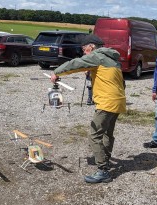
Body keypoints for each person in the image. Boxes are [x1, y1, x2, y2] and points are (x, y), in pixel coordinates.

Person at [50, 34, 126, 183]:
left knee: (94, 135)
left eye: (85, 50)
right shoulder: (111, 58)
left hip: (107, 102)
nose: (84, 53)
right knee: (107, 134)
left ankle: (103, 170)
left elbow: (75, 63)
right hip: (118, 101)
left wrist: (56, 72)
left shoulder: (97, 56)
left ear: (91, 47)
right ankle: (106, 161)